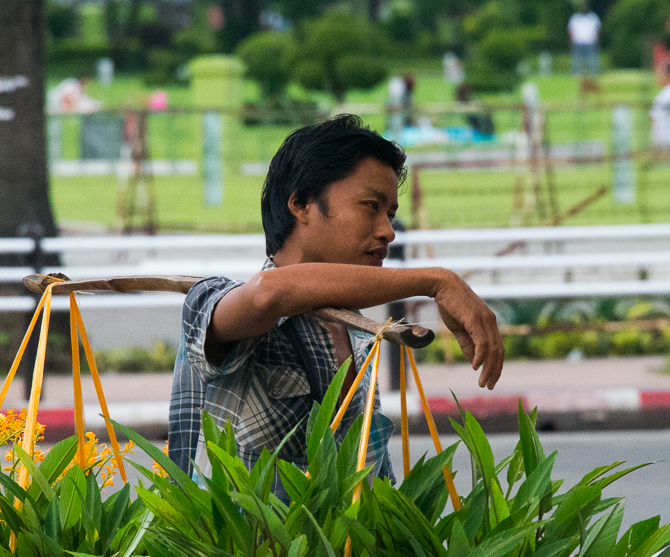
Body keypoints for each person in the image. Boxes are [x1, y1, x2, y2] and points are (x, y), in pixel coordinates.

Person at [167, 115, 504, 488]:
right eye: (370, 206)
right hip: (247, 548)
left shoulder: (360, 337)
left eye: (390, 214)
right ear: (301, 204)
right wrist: (437, 281)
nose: (388, 231)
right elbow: (270, 294)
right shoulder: (215, 303)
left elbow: (373, 480)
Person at [568, 4, 601, 78]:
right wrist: (571, 42)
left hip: (590, 42)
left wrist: (597, 41)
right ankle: (576, 74)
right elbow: (571, 31)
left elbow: (597, 31)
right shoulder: (575, 18)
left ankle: (594, 73)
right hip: (578, 42)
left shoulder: (593, 17)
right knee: (577, 60)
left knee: (592, 59)